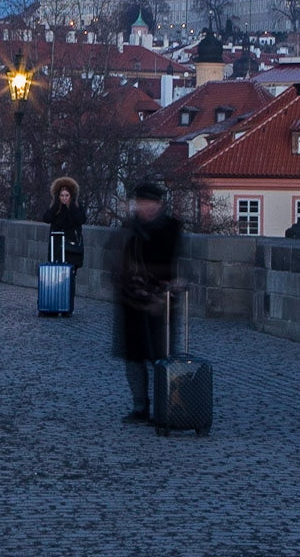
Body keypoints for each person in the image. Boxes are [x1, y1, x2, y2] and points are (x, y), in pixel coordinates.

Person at [117, 181, 182, 424]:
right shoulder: (131, 229)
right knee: (134, 356)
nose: (145, 207)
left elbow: (174, 264)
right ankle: (140, 406)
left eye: (149, 203)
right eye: (141, 203)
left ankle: (163, 407)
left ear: (159, 204)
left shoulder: (171, 229)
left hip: (161, 301)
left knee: (160, 357)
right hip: (132, 301)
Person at [43, 176, 86, 294]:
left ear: (71, 196)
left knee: (71, 276)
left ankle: (68, 305)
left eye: (67, 195)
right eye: (62, 196)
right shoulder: (55, 207)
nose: (64, 198)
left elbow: (81, 219)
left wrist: (71, 207)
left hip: (72, 248)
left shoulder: (76, 206)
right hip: (57, 247)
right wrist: (57, 205)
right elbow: (46, 218)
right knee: (56, 277)